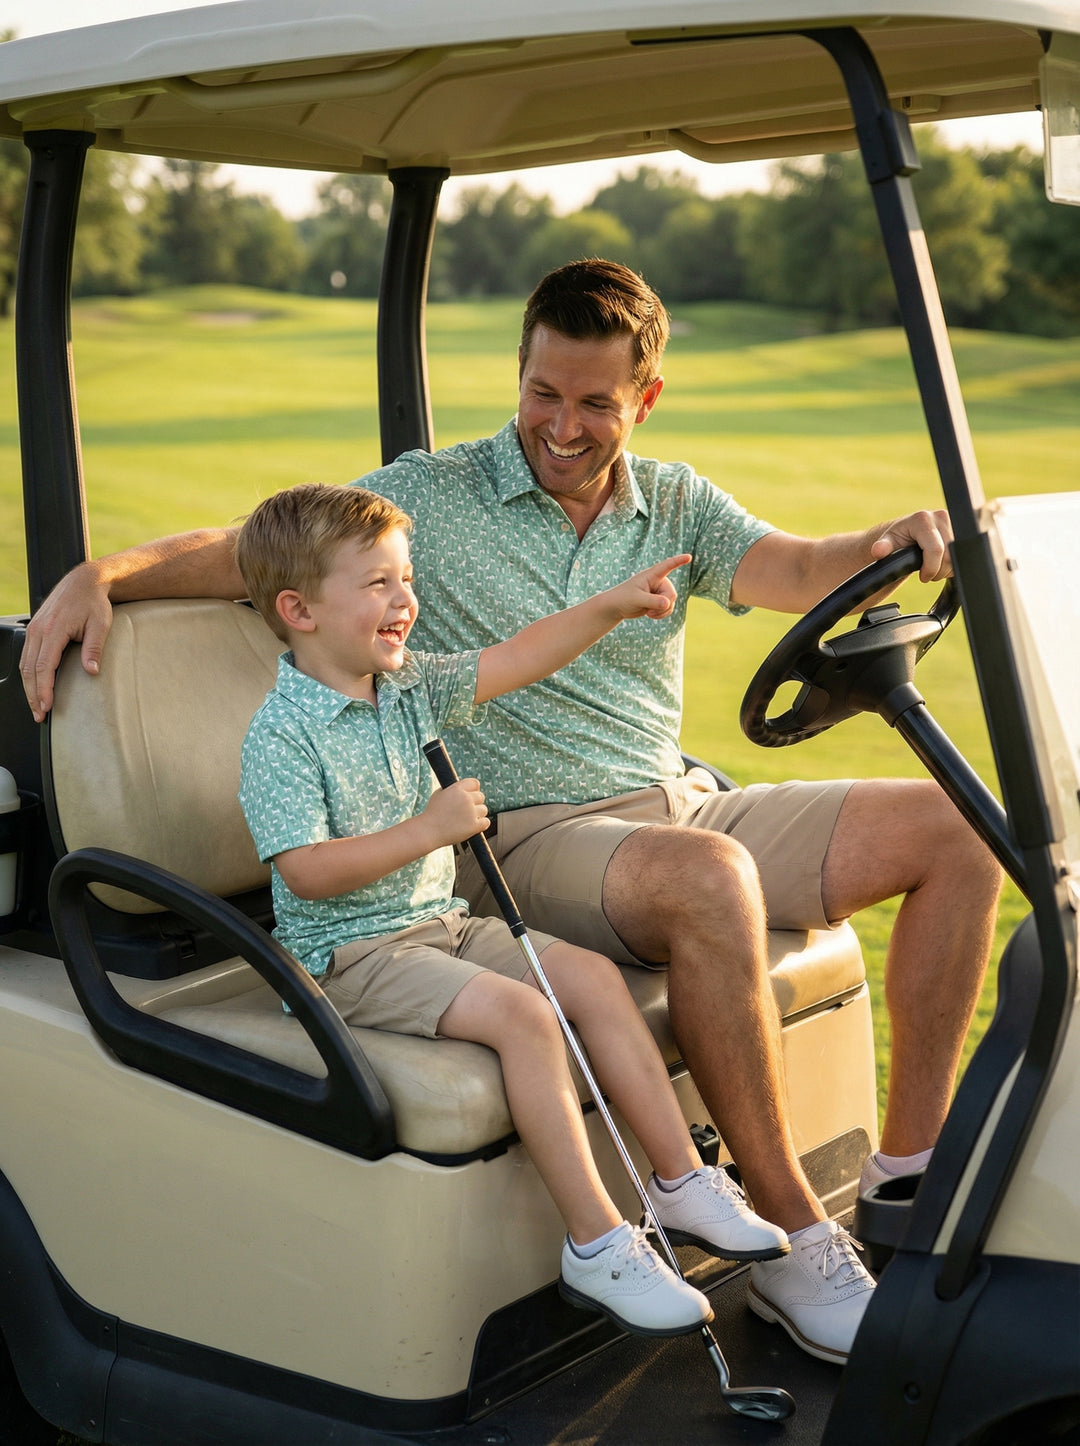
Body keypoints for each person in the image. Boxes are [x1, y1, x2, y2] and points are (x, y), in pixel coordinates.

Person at [19, 260, 1003, 1366]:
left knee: (956, 824)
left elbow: (803, 565)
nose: (564, 426)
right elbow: (262, 550)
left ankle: (905, 1181)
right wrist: (104, 572)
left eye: (595, 401)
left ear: (645, 398)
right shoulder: (435, 498)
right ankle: (793, 1248)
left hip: (674, 800)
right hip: (525, 835)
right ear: (520, 373)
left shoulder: (675, 503)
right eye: (544, 392)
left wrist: (891, 543)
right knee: (705, 878)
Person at [232, 479, 789, 1338]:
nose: (405, 600)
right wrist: (430, 830)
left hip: (443, 929)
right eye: (378, 584)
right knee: (529, 1018)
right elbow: (305, 873)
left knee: (594, 981)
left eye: (406, 578)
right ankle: (598, 1240)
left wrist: (605, 606)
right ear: (300, 610)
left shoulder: (409, 684)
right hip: (351, 957)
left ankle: (680, 1182)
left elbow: (519, 656)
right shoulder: (282, 734)